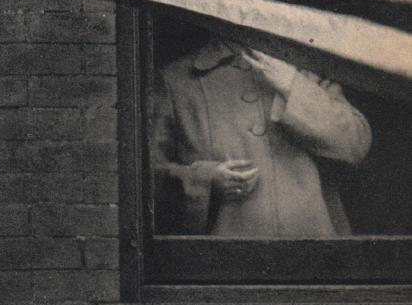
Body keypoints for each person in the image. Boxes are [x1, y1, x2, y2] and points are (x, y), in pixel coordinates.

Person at [151, 36, 371, 237]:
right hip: (224, 262)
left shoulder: (308, 69)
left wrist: (293, 87)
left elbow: (356, 143)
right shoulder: (177, 80)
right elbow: (145, 180)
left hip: (314, 255)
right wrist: (205, 181)